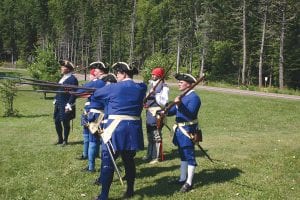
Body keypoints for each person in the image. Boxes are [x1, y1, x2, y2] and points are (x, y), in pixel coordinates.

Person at [92, 62, 147, 200]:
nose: (116, 75)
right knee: (129, 161)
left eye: (118, 73)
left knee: (108, 161)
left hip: (115, 129)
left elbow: (96, 95)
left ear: (124, 73)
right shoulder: (141, 88)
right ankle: (130, 190)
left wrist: (107, 88)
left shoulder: (114, 87)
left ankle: (104, 195)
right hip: (133, 128)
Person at [162, 73, 201, 193]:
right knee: (182, 155)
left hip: (188, 130)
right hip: (179, 130)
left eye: (181, 82)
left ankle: (189, 182)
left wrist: (179, 104)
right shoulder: (182, 96)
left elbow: (190, 115)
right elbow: (173, 110)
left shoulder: (194, 98)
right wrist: (164, 111)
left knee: (189, 156)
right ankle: (182, 178)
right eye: (179, 82)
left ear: (189, 84)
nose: (179, 83)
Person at [143, 67, 169, 164]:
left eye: (154, 74)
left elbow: (164, 102)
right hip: (149, 112)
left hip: (157, 113)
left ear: (159, 75)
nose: (152, 76)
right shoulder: (151, 84)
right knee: (150, 135)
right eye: (152, 74)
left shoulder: (164, 86)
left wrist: (155, 94)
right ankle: (149, 154)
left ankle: (156, 156)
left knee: (156, 135)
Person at [53, 60, 79, 146]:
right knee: (57, 121)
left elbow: (74, 93)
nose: (61, 68)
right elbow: (59, 90)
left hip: (66, 104)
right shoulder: (62, 78)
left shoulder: (73, 79)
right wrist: (55, 98)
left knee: (65, 122)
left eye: (63, 67)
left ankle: (65, 140)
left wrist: (69, 104)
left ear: (68, 69)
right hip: (59, 103)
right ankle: (60, 139)